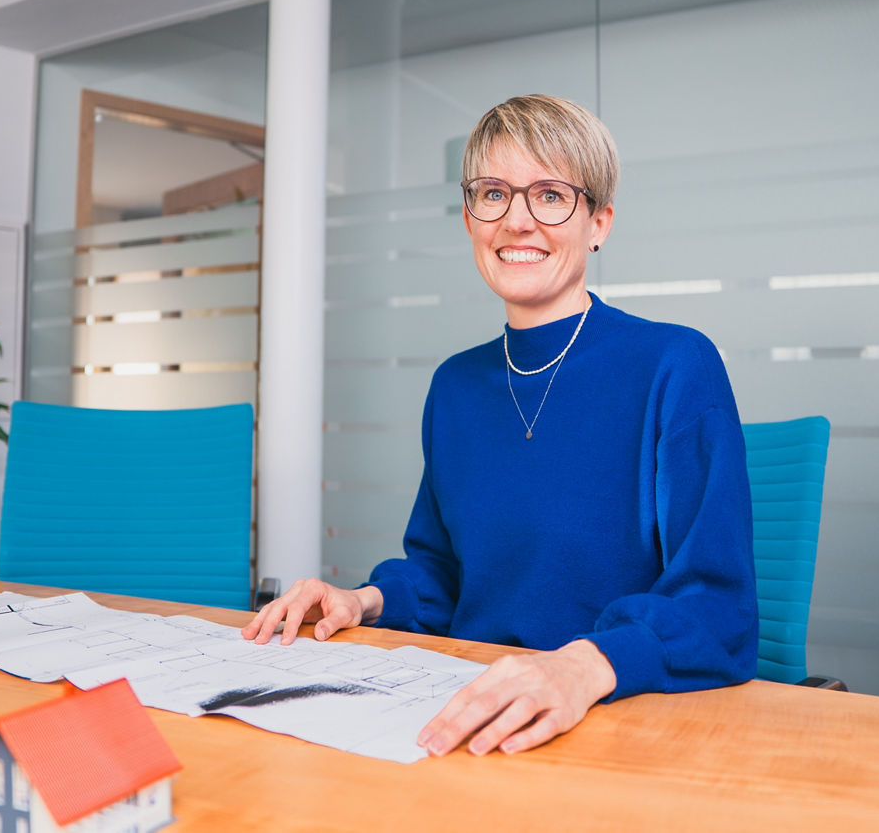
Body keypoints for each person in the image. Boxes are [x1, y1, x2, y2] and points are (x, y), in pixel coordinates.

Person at [242, 93, 756, 757]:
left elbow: (719, 607)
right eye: (494, 194)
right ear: (469, 219)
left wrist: (582, 665)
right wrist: (362, 601)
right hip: (472, 714)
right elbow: (443, 575)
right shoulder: (455, 386)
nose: (517, 221)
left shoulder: (675, 364)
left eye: (550, 196)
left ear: (598, 223)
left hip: (618, 719)